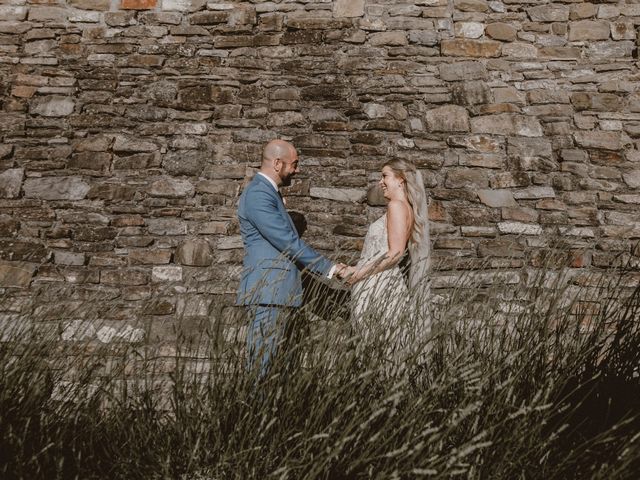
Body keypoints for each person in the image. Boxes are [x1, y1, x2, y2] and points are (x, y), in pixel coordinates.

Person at [236, 139, 346, 375]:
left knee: (274, 370)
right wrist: (331, 268)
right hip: (269, 294)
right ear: (277, 163)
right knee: (261, 369)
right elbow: (286, 241)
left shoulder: (268, 193)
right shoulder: (258, 194)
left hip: (277, 295)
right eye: (293, 164)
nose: (296, 170)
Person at [343, 159, 431, 367]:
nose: (381, 182)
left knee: (377, 354)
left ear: (400, 180)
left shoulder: (396, 206)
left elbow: (395, 253)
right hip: (382, 283)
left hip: (379, 286)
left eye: (385, 176)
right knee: (382, 352)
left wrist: (358, 273)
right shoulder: (405, 207)